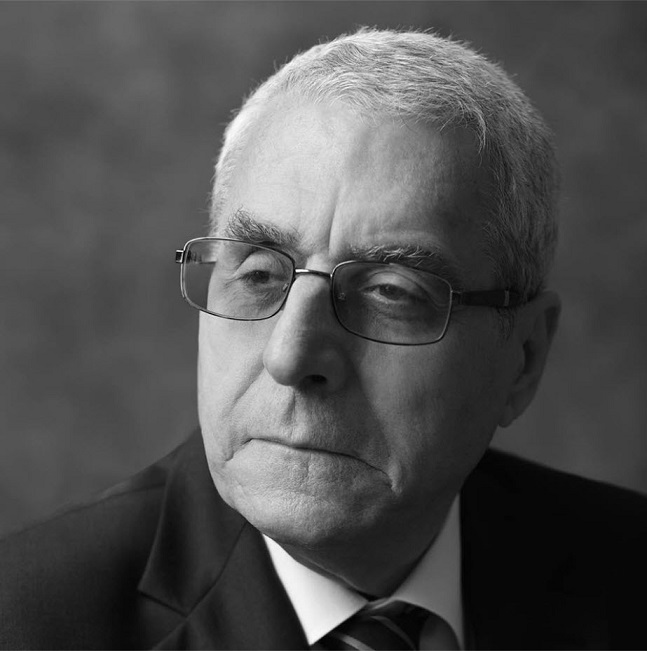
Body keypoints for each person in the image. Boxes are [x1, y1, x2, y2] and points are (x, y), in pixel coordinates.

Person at [1, 27, 646, 651]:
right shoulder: (26, 623)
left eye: (391, 292)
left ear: (524, 359)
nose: (291, 356)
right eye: (258, 275)